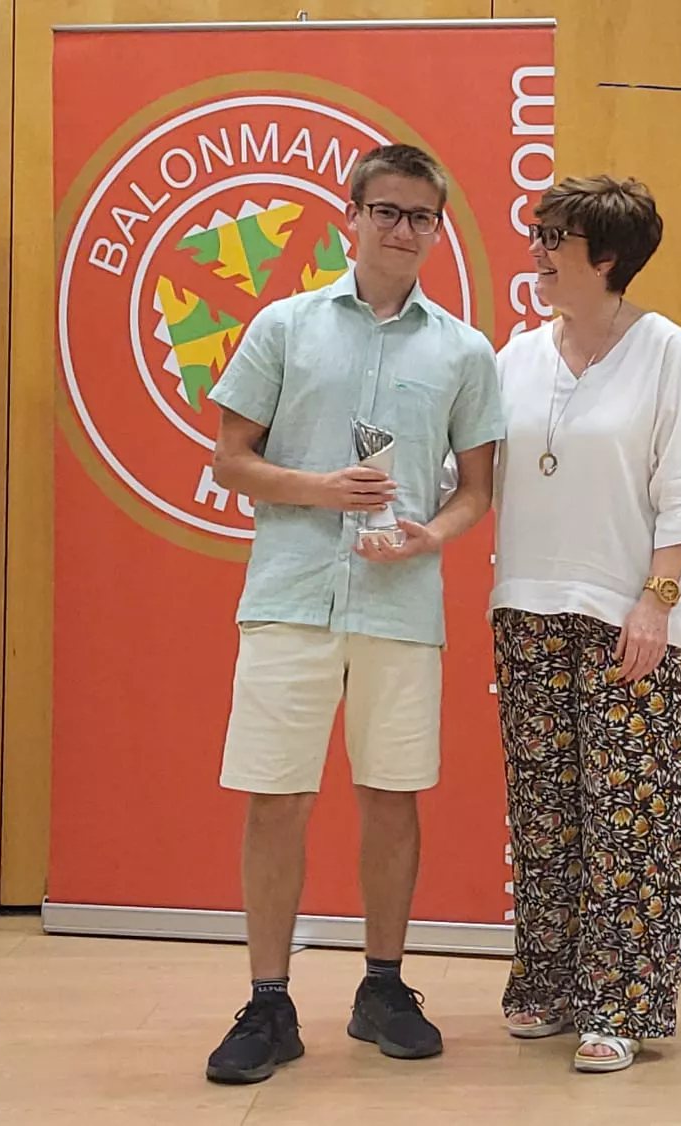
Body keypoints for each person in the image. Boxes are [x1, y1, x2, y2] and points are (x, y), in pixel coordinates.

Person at [201, 143, 505, 1084]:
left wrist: (430, 536)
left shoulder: (464, 350)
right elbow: (229, 460)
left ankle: (382, 986)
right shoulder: (284, 326)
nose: (404, 230)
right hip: (292, 592)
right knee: (277, 797)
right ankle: (268, 1000)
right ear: (352, 218)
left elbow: (476, 490)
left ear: (438, 228)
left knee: (391, 795)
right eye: (387, 211)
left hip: (398, 603)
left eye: (422, 216)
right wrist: (323, 489)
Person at [489, 174, 681, 1074]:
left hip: (638, 616)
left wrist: (656, 601)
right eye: (540, 234)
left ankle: (620, 1002)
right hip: (529, 610)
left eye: (556, 239)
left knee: (632, 816)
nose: (539, 252)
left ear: (607, 259)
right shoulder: (514, 357)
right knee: (544, 812)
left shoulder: (665, 351)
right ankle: (545, 982)